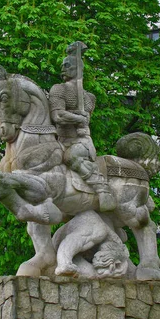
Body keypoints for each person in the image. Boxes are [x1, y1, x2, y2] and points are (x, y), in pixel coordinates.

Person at [49, 42, 116, 212]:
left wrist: (81, 119)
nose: (63, 68)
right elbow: (58, 115)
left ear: (78, 69)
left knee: (70, 156)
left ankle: (102, 188)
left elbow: (83, 122)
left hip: (81, 142)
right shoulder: (58, 90)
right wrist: (79, 117)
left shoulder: (89, 98)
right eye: (62, 65)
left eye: (67, 65)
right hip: (60, 140)